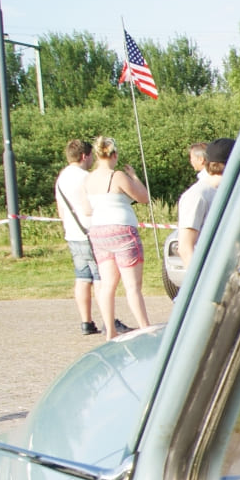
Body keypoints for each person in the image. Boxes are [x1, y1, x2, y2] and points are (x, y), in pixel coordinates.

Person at [80, 136, 151, 339]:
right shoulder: (117, 175)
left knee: (107, 284)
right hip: (122, 229)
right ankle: (144, 327)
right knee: (132, 286)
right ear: (114, 155)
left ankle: (110, 330)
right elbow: (143, 198)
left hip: (99, 232)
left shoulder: (88, 178)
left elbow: (86, 209)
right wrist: (134, 177)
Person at [54, 139, 100, 335]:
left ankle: (86, 321)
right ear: (84, 156)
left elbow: (61, 211)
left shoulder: (61, 178)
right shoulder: (86, 177)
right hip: (90, 232)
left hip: (72, 233)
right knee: (100, 278)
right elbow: (92, 207)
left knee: (82, 278)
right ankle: (109, 318)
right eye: (90, 156)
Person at [176, 138, 232, 267]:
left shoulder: (227, 192)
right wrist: (200, 284)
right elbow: (185, 248)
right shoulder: (197, 195)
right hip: (210, 273)